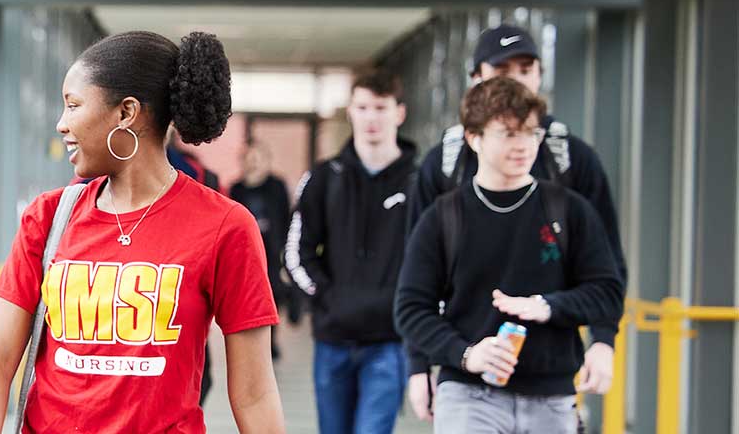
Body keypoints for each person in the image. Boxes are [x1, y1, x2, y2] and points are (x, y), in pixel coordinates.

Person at [0, 31, 285, 433]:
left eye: (74, 105)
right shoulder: (48, 217)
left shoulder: (225, 226)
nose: (62, 124)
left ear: (126, 112)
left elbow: (254, 393)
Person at [404, 25, 624, 421]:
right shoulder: (444, 176)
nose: (522, 145)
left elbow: (606, 277)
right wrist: (429, 363)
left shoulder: (571, 169)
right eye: (508, 134)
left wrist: (595, 335)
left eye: (526, 67)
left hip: (552, 387)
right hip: (468, 389)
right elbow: (414, 294)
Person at [283, 71, 417, 434]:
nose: (371, 117)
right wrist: (328, 296)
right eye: (362, 107)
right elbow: (296, 253)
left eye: (380, 107)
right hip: (333, 339)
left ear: (399, 113)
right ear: (351, 113)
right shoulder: (325, 177)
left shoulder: (420, 183)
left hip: (389, 341)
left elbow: (433, 258)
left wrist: (408, 306)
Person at [229, 144, 294, 357]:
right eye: (250, 158)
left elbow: (287, 216)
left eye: (259, 158)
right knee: (247, 295)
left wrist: (286, 248)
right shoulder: (237, 188)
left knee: (272, 294)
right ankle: (250, 340)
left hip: (272, 249)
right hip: (246, 250)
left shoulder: (277, 186)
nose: (254, 163)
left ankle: (270, 339)